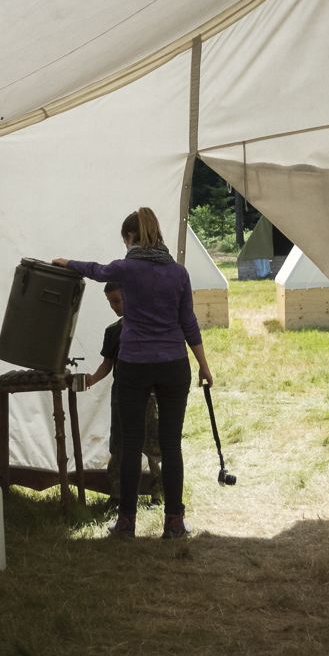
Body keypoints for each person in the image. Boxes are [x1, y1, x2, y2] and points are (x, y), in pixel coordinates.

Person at [55, 207, 212, 539]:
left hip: (134, 365)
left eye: (125, 240)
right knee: (171, 444)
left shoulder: (126, 268)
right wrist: (203, 364)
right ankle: (174, 522)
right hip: (173, 364)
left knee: (130, 442)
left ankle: (126, 522)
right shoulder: (178, 273)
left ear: (130, 237)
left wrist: (67, 263)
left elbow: (95, 270)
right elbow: (188, 322)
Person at [85, 283, 163, 506]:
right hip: (120, 395)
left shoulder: (148, 327)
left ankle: (158, 495)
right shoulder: (112, 332)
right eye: (109, 302)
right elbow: (107, 364)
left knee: (152, 444)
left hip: (147, 395)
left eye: (117, 301)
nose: (113, 306)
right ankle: (118, 495)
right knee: (119, 443)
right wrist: (92, 379)